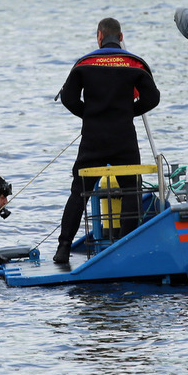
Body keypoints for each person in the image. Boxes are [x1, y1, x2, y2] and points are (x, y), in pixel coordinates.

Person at [53, 17, 160, 263]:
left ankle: (63, 249)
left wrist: (91, 116)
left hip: (93, 140)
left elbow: (68, 98)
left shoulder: (84, 64)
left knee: (79, 192)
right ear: (120, 37)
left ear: (99, 36)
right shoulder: (134, 63)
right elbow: (152, 98)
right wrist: (126, 113)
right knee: (131, 190)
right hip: (124, 138)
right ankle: (125, 247)